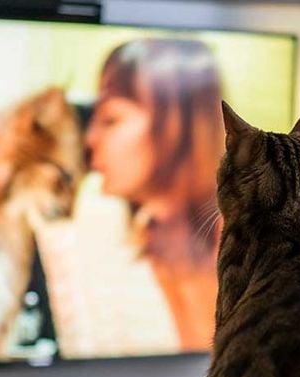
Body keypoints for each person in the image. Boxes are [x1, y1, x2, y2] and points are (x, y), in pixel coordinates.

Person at [84, 38, 225, 353]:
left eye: (111, 119)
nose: (91, 137)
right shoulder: (95, 240)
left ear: (177, 125)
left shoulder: (255, 247)